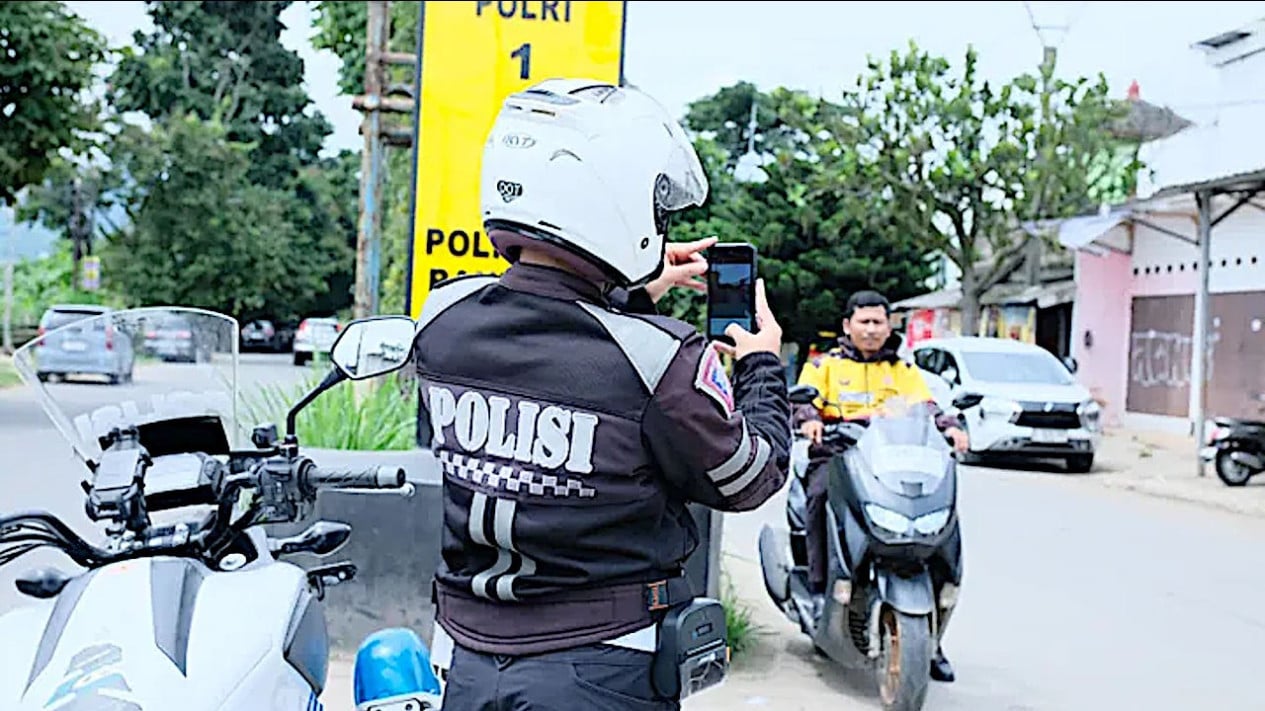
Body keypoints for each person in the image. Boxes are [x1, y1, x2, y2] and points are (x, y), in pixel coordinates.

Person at [411, 78, 792, 711]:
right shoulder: (660, 358)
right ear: (609, 202)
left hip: (464, 657)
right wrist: (759, 367)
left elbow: (554, 350)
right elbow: (748, 476)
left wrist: (630, 290)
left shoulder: (443, 319)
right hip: (602, 661)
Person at [793, 289, 968, 683]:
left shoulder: (902, 370)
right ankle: (821, 590)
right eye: (864, 322)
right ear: (847, 326)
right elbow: (802, 402)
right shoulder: (825, 366)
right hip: (841, 455)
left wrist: (951, 427)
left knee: (941, 515)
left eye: (878, 322)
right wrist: (809, 419)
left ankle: (932, 639)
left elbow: (926, 407)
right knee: (819, 497)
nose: (872, 330)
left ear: (889, 326)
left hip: (893, 460)